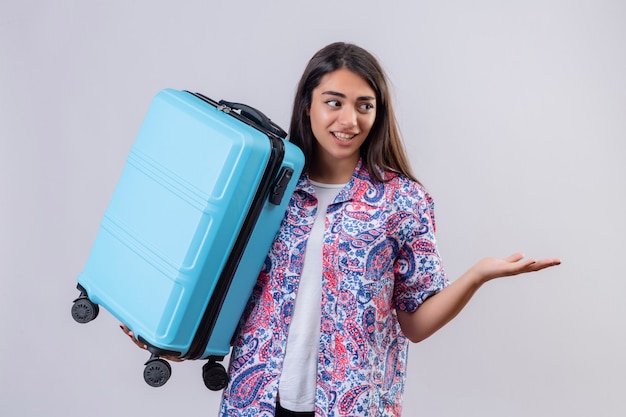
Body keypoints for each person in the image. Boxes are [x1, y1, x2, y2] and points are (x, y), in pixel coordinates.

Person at [122, 42, 560, 417]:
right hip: (253, 402)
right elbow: (218, 283)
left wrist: (478, 274)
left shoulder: (403, 201)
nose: (348, 120)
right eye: (334, 102)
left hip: (354, 405)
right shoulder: (265, 187)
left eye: (364, 106)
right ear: (308, 104)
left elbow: (416, 324)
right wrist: (159, 328)